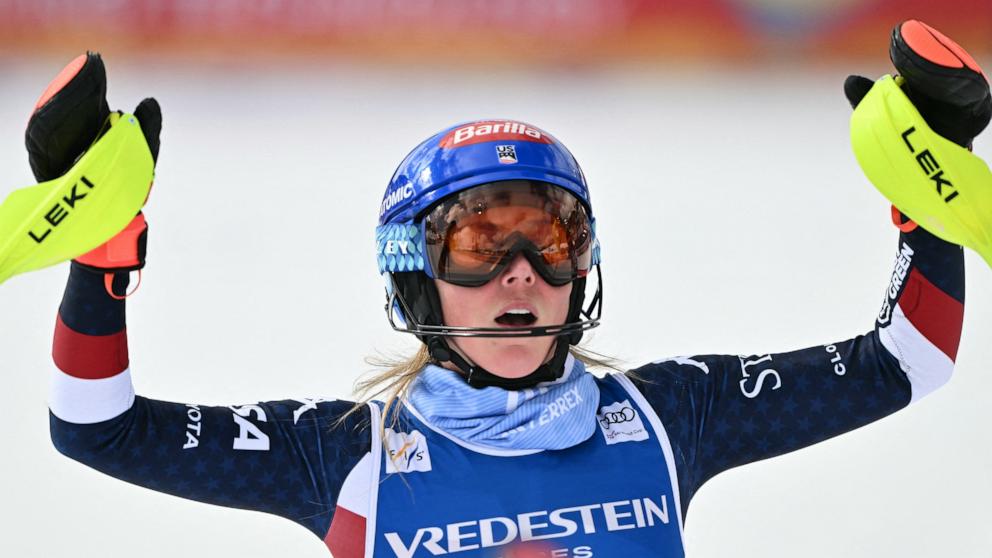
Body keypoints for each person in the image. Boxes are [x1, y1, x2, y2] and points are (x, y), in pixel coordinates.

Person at [34, 21, 988, 558]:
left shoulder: (671, 416)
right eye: (479, 244)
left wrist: (930, 199)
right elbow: (94, 425)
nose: (519, 275)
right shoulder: (336, 453)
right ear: (416, 274)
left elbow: (907, 361)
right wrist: (100, 261)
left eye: (553, 240)